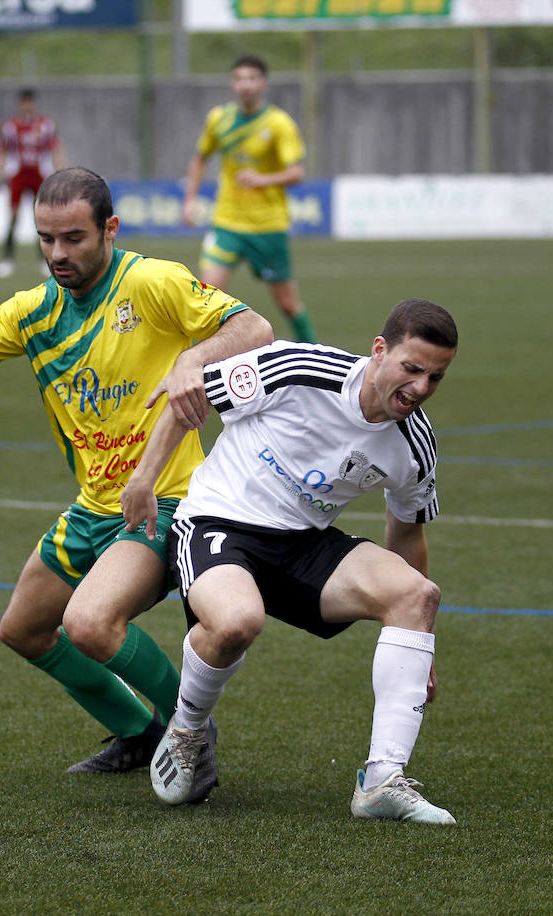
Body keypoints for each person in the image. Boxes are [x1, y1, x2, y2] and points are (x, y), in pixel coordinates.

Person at [0, 168, 273, 798]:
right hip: (93, 508)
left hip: (168, 502)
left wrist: (193, 357)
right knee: (24, 629)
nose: (58, 254)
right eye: (46, 239)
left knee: (89, 624)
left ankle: (186, 727)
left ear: (109, 229)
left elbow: (254, 330)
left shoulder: (152, 282)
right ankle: (139, 732)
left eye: (75, 238)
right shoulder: (31, 312)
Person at [120, 298, 459, 823]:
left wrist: (418, 639)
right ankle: (187, 729)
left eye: (435, 378)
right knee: (236, 623)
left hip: (303, 544)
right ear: (379, 351)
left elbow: (408, 532)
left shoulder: (415, 444)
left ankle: (381, 782)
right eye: (411, 369)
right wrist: (144, 478)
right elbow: (190, 399)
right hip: (218, 523)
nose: (419, 388)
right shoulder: (300, 369)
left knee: (418, 596)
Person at [181, 55, 316, 344]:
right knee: (205, 300)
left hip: (267, 225)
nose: (246, 85)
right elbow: (199, 158)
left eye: (253, 78)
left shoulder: (278, 123)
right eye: (240, 78)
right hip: (227, 222)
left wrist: (262, 179)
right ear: (233, 84)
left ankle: (314, 358)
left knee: (288, 304)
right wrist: (190, 199)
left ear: (263, 84)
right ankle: (200, 370)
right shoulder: (219, 118)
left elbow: (297, 172)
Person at [0, 88, 67, 279]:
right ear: (20, 104)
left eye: (30, 102)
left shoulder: (46, 125)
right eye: (24, 102)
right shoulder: (10, 126)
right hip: (18, 175)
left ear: (34, 104)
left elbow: (55, 149)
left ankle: (43, 260)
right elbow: (2, 151)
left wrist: (63, 171)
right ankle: (7, 260)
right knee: (14, 216)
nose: (27, 105)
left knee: (41, 219)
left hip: (39, 175)